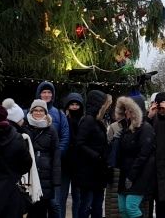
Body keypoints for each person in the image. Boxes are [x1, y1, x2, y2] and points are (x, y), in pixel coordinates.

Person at [114, 96, 156, 218]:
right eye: (125, 109)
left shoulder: (145, 128)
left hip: (140, 175)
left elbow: (144, 154)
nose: (126, 112)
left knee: (131, 207)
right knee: (122, 208)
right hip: (125, 173)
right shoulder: (125, 129)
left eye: (129, 109)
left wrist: (131, 176)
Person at [73, 90, 112, 218]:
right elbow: (79, 143)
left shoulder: (97, 120)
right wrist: (96, 155)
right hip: (88, 173)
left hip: (98, 172)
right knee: (86, 205)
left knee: (96, 205)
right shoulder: (88, 120)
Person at [36, 81, 71, 218]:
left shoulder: (59, 114)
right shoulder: (33, 112)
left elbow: (65, 137)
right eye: (44, 92)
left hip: (54, 166)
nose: (46, 95)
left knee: (54, 203)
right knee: (37, 203)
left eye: (49, 92)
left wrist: (56, 155)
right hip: (37, 166)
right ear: (39, 94)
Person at [24, 99, 62, 218]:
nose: (38, 113)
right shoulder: (25, 128)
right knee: (30, 209)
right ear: (31, 111)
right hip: (29, 174)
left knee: (42, 209)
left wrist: (56, 180)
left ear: (45, 113)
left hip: (46, 176)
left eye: (41, 110)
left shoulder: (51, 130)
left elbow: (56, 155)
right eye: (36, 110)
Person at [59, 92, 84, 218]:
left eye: (77, 105)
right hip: (64, 164)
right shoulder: (63, 120)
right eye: (72, 104)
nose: (74, 107)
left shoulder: (83, 121)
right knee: (61, 197)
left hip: (78, 165)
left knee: (77, 197)